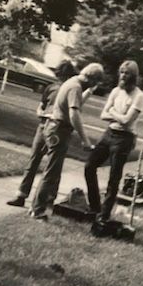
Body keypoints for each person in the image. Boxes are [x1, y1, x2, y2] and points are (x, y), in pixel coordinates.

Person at [6, 60, 89, 208]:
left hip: (58, 128)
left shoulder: (72, 90)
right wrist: (44, 114)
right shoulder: (51, 88)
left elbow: (75, 108)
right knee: (34, 161)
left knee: (53, 167)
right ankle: (21, 195)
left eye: (63, 76)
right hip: (44, 126)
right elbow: (40, 108)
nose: (61, 79)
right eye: (60, 76)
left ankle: (49, 198)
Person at [29, 62, 104, 220]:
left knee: (50, 172)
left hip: (52, 127)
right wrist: (85, 140)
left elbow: (75, 103)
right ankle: (38, 211)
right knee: (51, 173)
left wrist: (89, 92)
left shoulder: (72, 83)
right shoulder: (75, 87)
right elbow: (74, 114)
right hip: (59, 130)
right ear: (92, 79)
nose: (95, 85)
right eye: (96, 82)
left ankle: (35, 207)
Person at [85, 60, 143, 227]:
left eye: (126, 74)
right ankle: (95, 206)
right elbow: (103, 115)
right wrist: (116, 114)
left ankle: (103, 216)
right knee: (89, 166)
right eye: (121, 72)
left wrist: (112, 112)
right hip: (109, 134)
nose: (123, 76)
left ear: (133, 76)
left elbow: (127, 121)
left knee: (114, 178)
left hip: (124, 139)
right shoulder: (115, 91)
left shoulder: (138, 96)